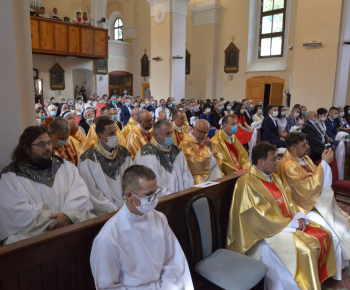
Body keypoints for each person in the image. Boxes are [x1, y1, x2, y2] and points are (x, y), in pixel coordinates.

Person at [226, 142, 337, 290]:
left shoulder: (274, 177)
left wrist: (299, 216)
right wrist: (292, 224)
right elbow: (257, 217)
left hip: (284, 224)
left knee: (325, 234)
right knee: (307, 248)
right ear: (260, 162)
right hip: (264, 232)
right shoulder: (246, 182)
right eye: (273, 159)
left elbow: (289, 200)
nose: (277, 162)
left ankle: (316, 280)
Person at [90, 165, 194, 289]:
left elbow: (173, 262)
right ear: (129, 195)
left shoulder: (159, 219)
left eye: (156, 192)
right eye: (149, 195)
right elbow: (107, 286)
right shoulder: (107, 237)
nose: (155, 199)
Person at [0, 126, 94, 245]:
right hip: (34, 233)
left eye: (49, 143)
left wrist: (68, 215)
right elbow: (16, 211)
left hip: (71, 223)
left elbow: (80, 194)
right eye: (41, 144)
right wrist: (59, 219)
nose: (47, 148)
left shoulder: (65, 167)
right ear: (26, 148)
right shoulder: (10, 176)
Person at [276, 133, 350, 280]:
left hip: (314, 200)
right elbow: (308, 187)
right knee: (334, 232)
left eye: (306, 143)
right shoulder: (288, 165)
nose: (308, 147)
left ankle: (342, 263)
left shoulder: (305, 158)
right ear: (293, 149)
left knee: (343, 219)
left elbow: (315, 176)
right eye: (304, 145)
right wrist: (323, 163)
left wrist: (322, 166)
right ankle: (334, 272)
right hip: (302, 206)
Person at [78, 119, 132, 216]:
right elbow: (92, 192)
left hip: (127, 207)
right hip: (104, 213)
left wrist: (127, 204)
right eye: (111, 133)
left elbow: (131, 180)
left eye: (116, 132)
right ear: (99, 136)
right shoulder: (87, 159)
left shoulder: (124, 153)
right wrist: (113, 210)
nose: (115, 136)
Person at [134, 120, 194, 195]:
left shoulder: (176, 150)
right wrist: (170, 198)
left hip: (182, 197)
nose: (171, 136)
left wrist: (187, 192)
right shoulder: (145, 154)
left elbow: (186, 174)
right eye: (167, 134)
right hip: (162, 201)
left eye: (171, 132)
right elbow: (153, 183)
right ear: (156, 136)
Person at [179, 119, 222, 184]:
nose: (202, 135)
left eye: (205, 133)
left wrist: (209, 147)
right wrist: (207, 148)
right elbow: (197, 164)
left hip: (213, 177)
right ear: (194, 128)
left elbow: (218, 158)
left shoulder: (206, 141)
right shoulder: (185, 144)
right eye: (201, 132)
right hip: (197, 181)